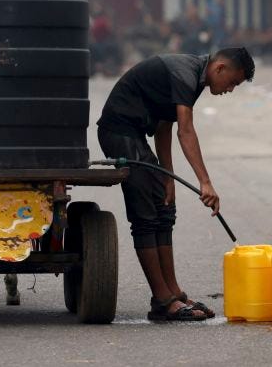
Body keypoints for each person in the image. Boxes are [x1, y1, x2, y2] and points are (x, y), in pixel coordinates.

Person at [97, 47, 255, 322]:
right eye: (232, 82)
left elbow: (163, 127)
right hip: (119, 131)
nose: (230, 89)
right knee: (146, 216)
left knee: (164, 208)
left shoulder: (194, 78)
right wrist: (205, 182)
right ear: (219, 68)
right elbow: (185, 129)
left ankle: (173, 292)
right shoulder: (186, 74)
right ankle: (162, 300)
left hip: (137, 134)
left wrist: (167, 176)